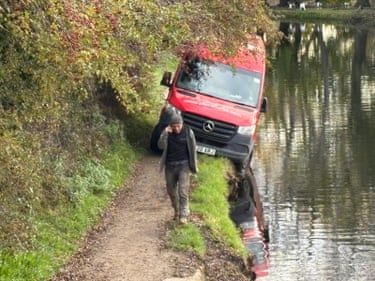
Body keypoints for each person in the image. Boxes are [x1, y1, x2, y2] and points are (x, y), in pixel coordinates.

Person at [158, 114, 198, 224]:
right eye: (174, 126)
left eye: (178, 126)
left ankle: (183, 215)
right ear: (170, 125)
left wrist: (194, 167)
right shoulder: (168, 133)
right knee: (171, 191)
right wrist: (165, 133)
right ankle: (176, 211)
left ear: (182, 124)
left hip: (183, 166)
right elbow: (160, 146)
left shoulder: (188, 132)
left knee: (183, 191)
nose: (176, 128)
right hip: (170, 166)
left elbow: (193, 149)